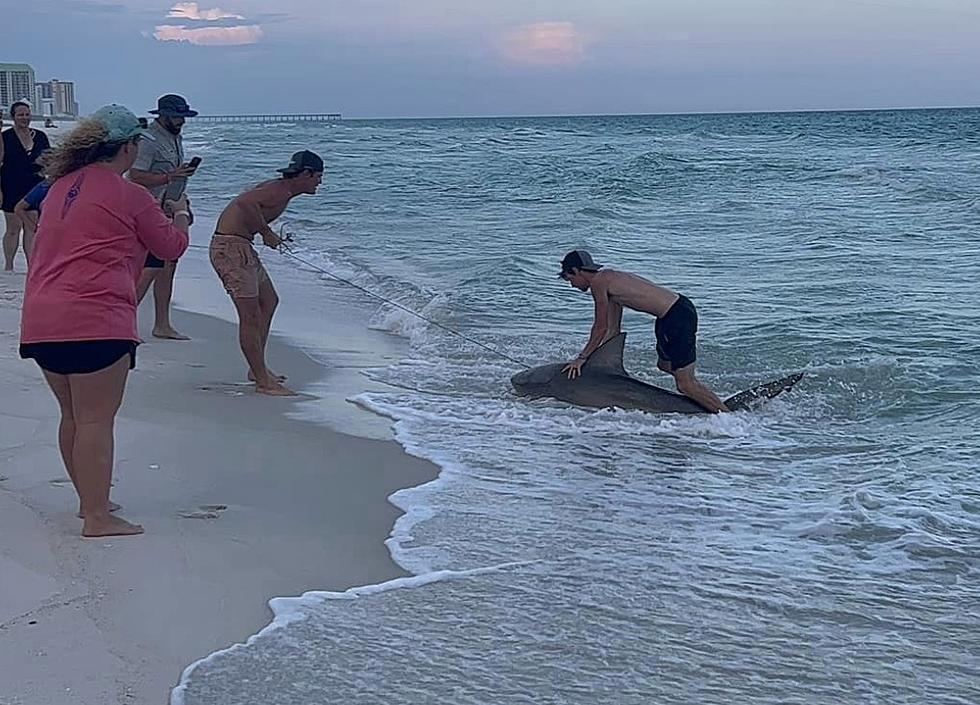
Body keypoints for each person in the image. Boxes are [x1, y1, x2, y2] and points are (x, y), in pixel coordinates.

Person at [19, 105, 190, 538]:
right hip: (95, 318)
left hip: (42, 317)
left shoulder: (59, 186)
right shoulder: (129, 193)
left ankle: (89, 500)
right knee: (96, 419)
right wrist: (182, 215)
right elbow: (169, 247)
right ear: (129, 148)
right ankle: (97, 516)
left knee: (73, 416)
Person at [209, 150, 324, 396]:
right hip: (230, 249)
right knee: (249, 316)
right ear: (306, 174)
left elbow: (249, 205)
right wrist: (266, 232)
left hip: (241, 247)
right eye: (318, 176)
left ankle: (257, 368)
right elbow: (245, 202)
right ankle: (263, 381)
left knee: (269, 300)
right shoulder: (280, 190)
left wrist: (264, 232)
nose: (320, 182)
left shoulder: (282, 190)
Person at [558, 250, 729, 413]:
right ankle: (703, 396)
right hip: (668, 316)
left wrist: (582, 358)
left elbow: (599, 328)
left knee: (684, 385)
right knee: (664, 366)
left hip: (677, 316)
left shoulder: (598, 283)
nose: (572, 285)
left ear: (576, 270)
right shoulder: (608, 279)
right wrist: (597, 361)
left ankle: (730, 417)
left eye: (569, 278)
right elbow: (612, 331)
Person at [128, 94, 199, 340]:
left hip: (169, 207)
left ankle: (162, 323)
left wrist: (182, 203)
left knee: (168, 265)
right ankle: (124, 322)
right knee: (149, 267)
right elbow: (135, 176)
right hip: (147, 211)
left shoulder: (175, 137)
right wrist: (168, 177)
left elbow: (176, 175)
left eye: (183, 116)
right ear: (164, 115)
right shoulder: (149, 140)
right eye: (178, 116)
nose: (182, 121)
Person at [1, 101, 50, 270]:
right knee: (13, 227)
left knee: (32, 225)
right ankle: (9, 265)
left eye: (27, 114)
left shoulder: (40, 136)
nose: (24, 118)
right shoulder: (5, 137)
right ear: (13, 117)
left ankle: (32, 266)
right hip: (11, 184)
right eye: (20, 115)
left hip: (34, 186)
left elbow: (48, 160)